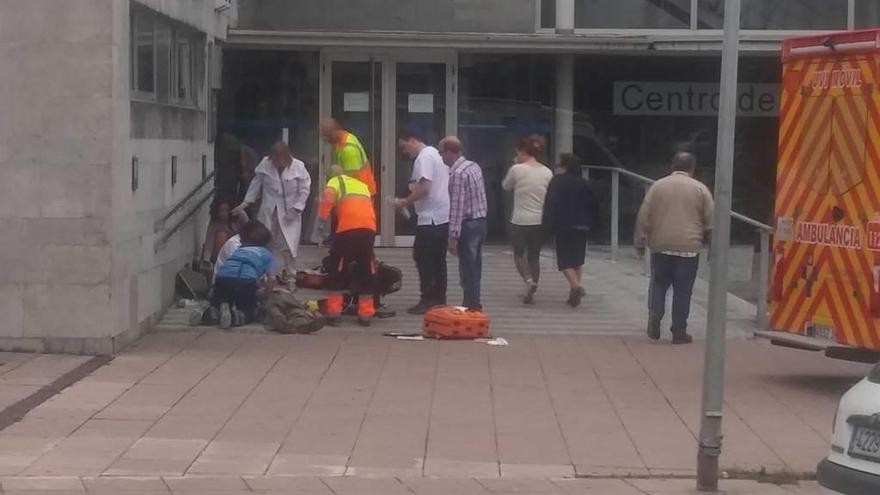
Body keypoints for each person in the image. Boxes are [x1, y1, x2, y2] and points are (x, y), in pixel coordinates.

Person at [635, 151, 714, 345]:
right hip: (689, 247)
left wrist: (640, 240)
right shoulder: (700, 189)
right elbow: (710, 219)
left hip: (661, 245)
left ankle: (655, 314)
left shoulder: (657, 186)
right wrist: (712, 242)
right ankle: (679, 331)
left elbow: (644, 214)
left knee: (659, 283)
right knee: (683, 290)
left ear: (672, 166)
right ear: (693, 167)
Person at [234, 141, 311, 276]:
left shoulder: (298, 167)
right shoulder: (265, 164)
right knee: (264, 240)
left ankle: (290, 274)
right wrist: (245, 203)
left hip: (290, 212)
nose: (278, 162)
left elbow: (304, 189)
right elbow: (255, 185)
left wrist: (298, 207)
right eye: (275, 159)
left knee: (288, 244)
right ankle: (266, 274)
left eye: (281, 158)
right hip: (269, 209)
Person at [394, 129, 450, 314]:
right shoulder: (435, 153)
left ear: (413, 140)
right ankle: (440, 297)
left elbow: (424, 188)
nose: (404, 152)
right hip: (442, 216)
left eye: (404, 147)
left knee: (422, 257)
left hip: (430, 217)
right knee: (438, 260)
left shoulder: (423, 158)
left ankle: (427, 299)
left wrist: (405, 201)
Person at [317, 166, 378, 326]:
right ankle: (366, 314)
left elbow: (328, 196)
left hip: (348, 228)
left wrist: (322, 221)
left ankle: (334, 313)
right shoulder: (360, 185)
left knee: (338, 268)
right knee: (366, 268)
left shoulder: (335, 181)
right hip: (369, 229)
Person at [542, 153, 600, 308]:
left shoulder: (557, 181)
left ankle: (576, 287)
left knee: (564, 260)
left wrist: (548, 223)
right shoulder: (583, 182)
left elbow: (550, 203)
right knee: (577, 260)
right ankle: (573, 294)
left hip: (563, 224)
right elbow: (593, 204)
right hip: (582, 225)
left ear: (564, 166)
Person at [502, 134, 553, 304]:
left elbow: (506, 186)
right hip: (539, 220)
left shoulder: (517, 169)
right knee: (534, 256)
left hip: (520, 219)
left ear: (523, 151)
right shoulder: (547, 172)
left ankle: (528, 281)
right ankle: (534, 286)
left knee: (518, 254)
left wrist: (516, 164)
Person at [440, 136, 488, 311]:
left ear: (449, 152)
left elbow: (457, 207)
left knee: (467, 268)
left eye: (442, 152)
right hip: (481, 222)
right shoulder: (473, 166)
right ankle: (474, 301)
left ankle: (472, 305)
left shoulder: (457, 174)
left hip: (467, 225)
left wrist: (453, 236)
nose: (441, 157)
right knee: (476, 266)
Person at [213, 221, 276, 329]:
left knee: (221, 299)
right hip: (245, 283)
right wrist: (265, 294)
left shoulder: (239, 250)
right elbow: (272, 280)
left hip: (222, 279)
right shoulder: (267, 255)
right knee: (249, 309)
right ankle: (238, 316)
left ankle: (213, 312)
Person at [320, 118, 377, 195]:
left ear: (334, 132)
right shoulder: (346, 138)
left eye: (327, 136)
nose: (326, 140)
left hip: (359, 194)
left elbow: (351, 179)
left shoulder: (349, 151)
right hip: (361, 192)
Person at [201, 197, 235, 264]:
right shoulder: (214, 224)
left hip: (235, 253)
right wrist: (206, 260)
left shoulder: (236, 221)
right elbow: (209, 243)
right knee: (221, 235)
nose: (224, 213)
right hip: (220, 256)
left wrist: (241, 213)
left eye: (226, 210)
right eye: (221, 210)